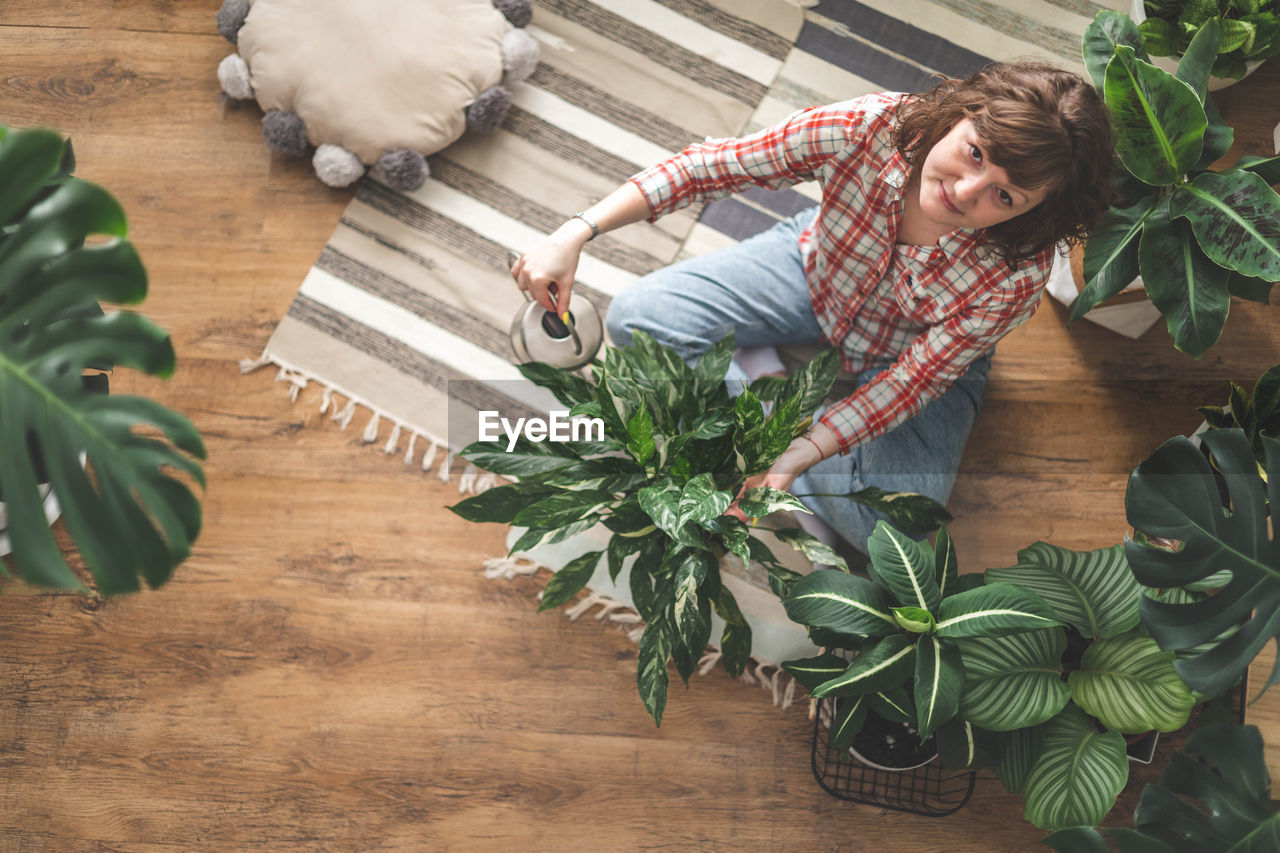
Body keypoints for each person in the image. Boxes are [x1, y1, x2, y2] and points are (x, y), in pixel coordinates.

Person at [510, 61, 1113, 554]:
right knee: (637, 318)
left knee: (893, 536)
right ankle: (775, 401)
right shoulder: (864, 125)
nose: (962, 193)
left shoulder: (1018, 272)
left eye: (1003, 195)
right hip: (815, 270)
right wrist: (576, 232)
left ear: (1032, 211)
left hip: (918, 356)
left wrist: (803, 450)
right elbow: (709, 168)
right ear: (960, 113)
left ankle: (769, 410)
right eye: (975, 153)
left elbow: (915, 380)